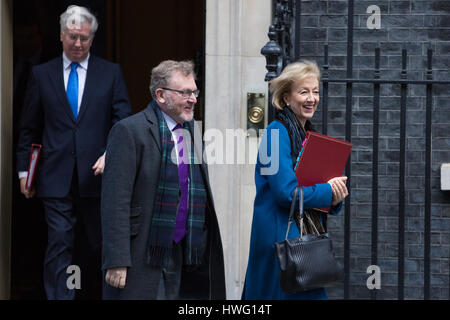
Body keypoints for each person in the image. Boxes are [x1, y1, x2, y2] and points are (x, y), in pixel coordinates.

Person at [16, 5, 132, 300]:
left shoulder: (111, 73)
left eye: (84, 37)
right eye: (72, 37)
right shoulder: (42, 75)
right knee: (59, 243)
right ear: (60, 35)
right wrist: (24, 172)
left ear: (92, 38)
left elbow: (123, 123)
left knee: (96, 245)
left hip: (97, 176)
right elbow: (29, 128)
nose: (78, 44)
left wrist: (111, 154)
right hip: (55, 177)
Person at [101, 60, 226, 300]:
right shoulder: (129, 131)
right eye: (185, 92)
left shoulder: (193, 133)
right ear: (160, 95)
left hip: (186, 253)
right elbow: (114, 202)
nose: (193, 99)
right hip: (143, 252)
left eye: (194, 92)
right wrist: (116, 260)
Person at [242, 61, 349, 300]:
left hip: (298, 239)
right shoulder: (275, 132)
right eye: (304, 92)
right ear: (286, 98)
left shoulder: (307, 134)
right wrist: (328, 192)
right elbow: (285, 193)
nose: (312, 98)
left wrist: (335, 196)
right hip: (279, 240)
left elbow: (313, 187)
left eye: (315, 91)